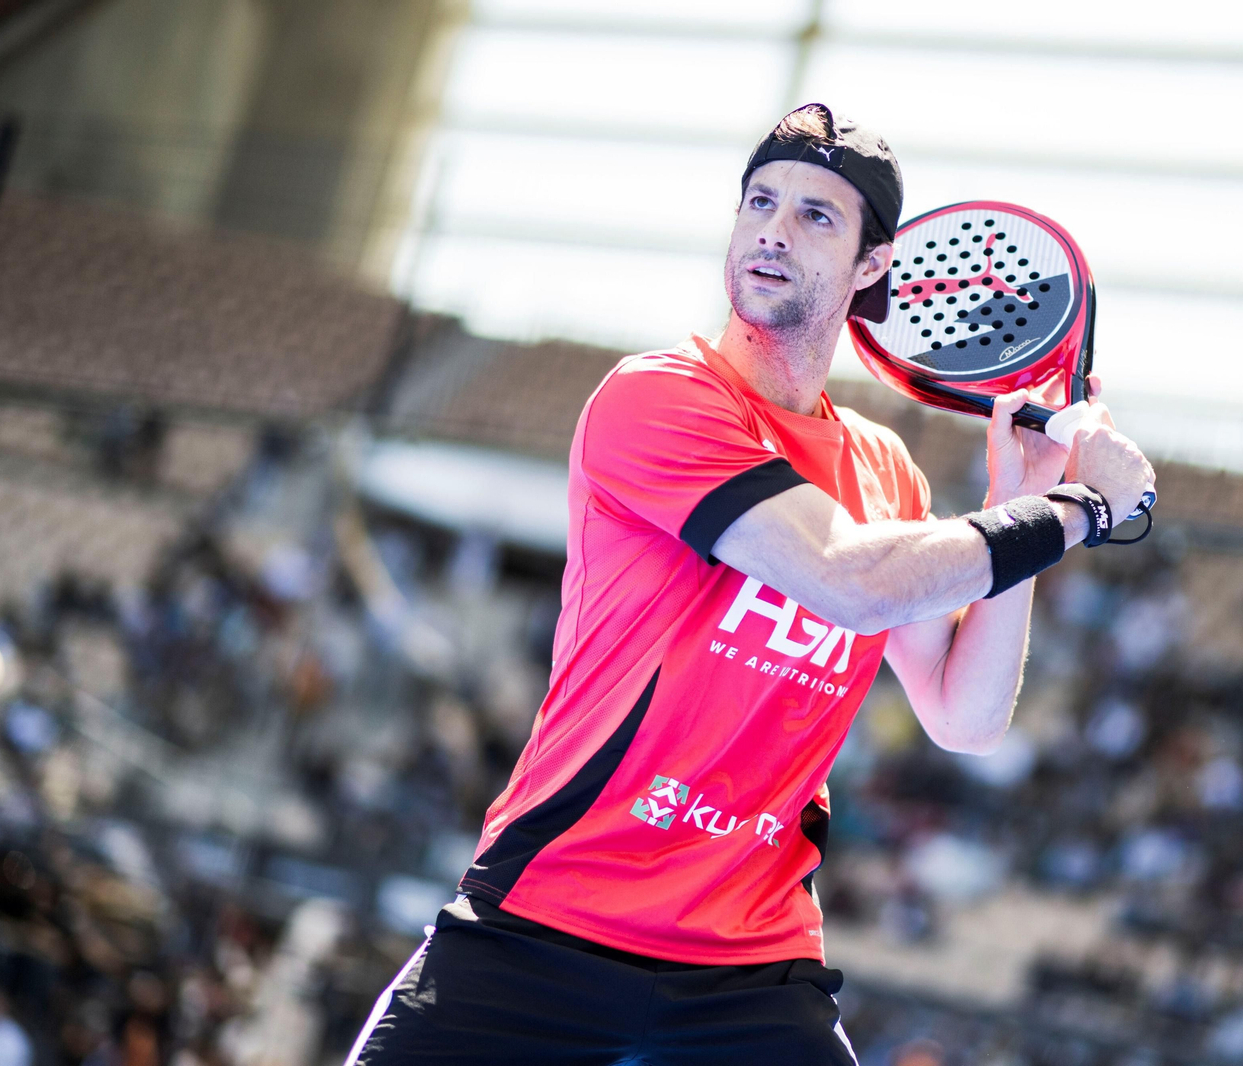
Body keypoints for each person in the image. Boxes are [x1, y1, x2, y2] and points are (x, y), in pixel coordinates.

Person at [348, 103, 1154, 1065]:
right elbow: (845, 581)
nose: (774, 227)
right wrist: (1077, 515)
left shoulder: (883, 471)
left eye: (818, 215)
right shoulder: (658, 397)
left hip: (750, 970)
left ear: (871, 269)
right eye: (760, 201)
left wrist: (1022, 500)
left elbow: (966, 719)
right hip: (544, 925)